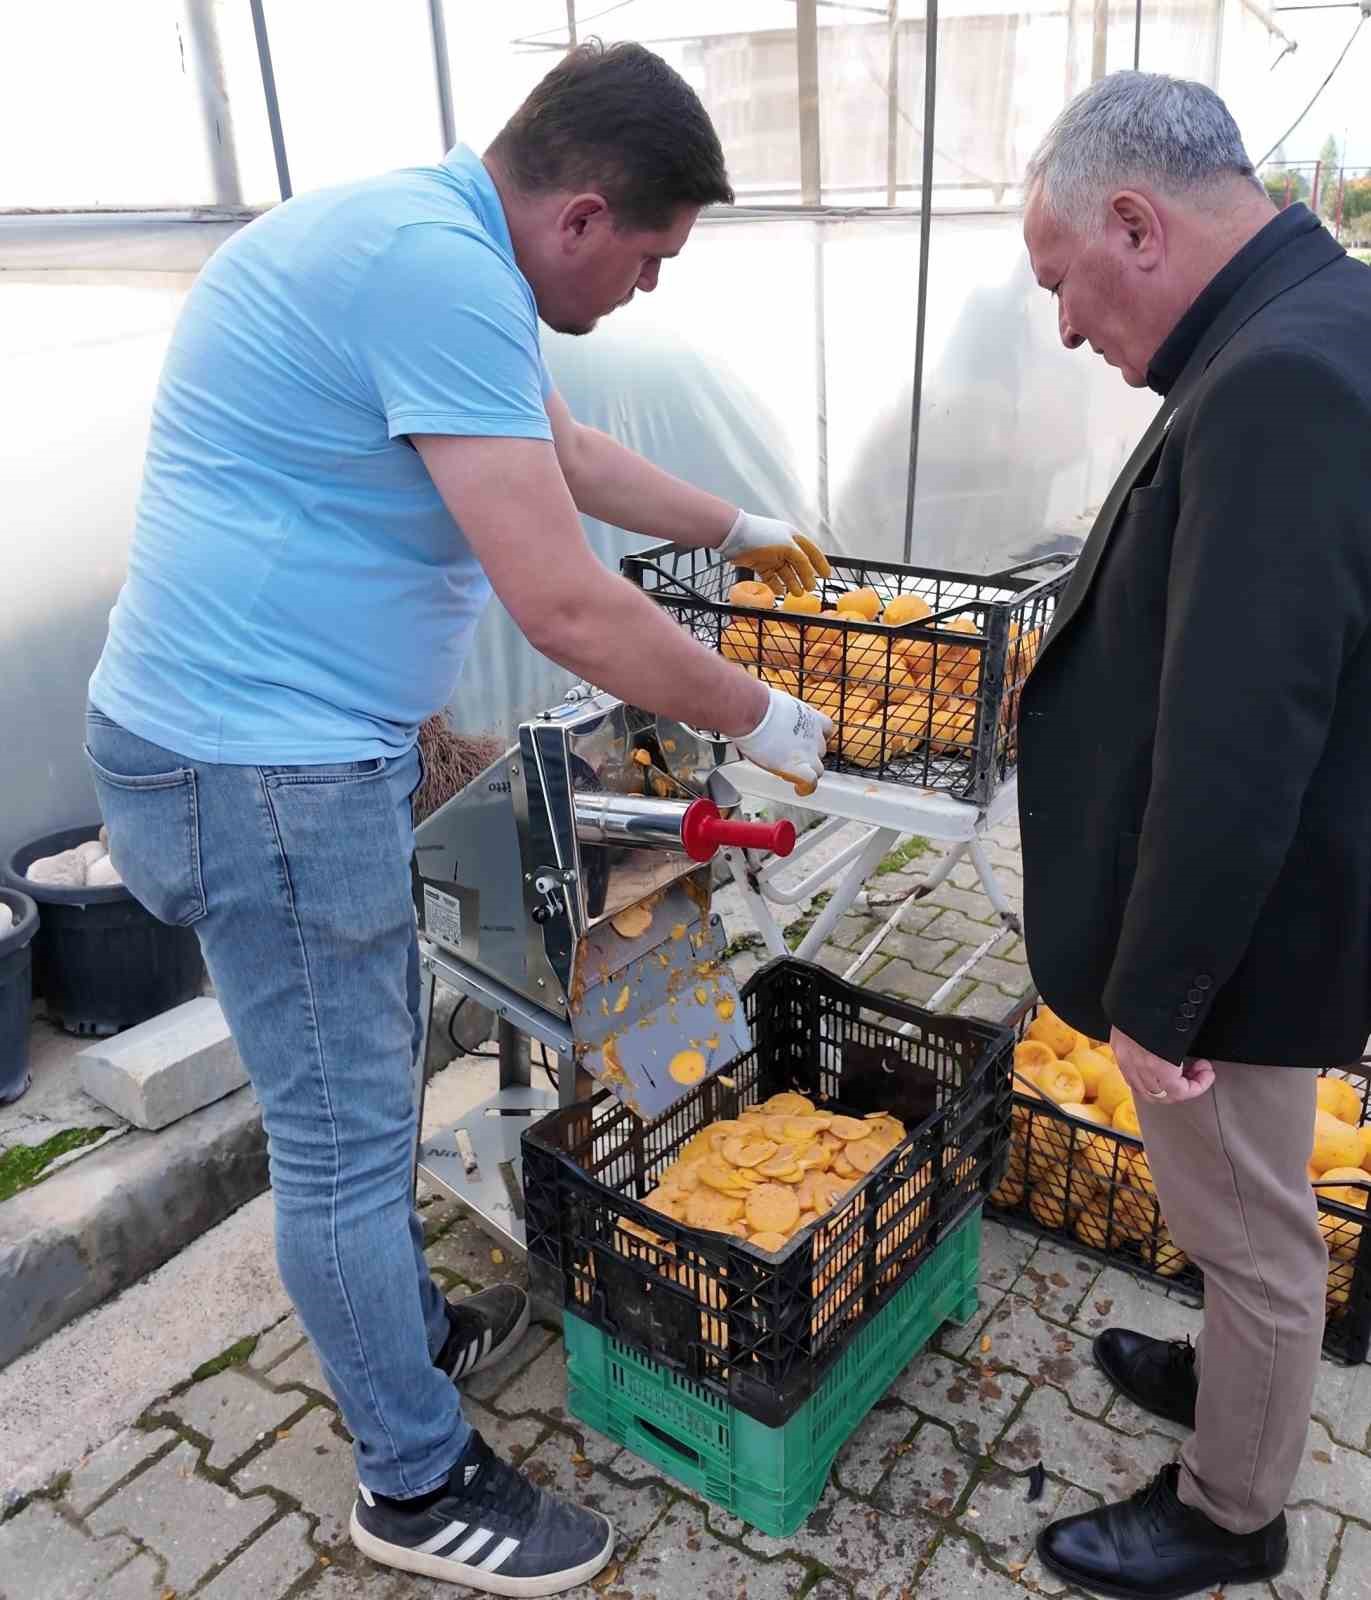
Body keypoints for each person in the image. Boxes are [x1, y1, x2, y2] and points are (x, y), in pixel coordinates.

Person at [84, 41, 831, 1596]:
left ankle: (401, 1340)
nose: (648, 289)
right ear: (578, 215)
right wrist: (759, 718)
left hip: (254, 751)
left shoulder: (427, 243)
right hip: (264, 773)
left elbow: (555, 451)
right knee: (349, 1147)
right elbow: (560, 601)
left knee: (354, 1114)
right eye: (649, 255)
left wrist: (735, 525)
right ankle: (413, 1485)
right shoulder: (436, 270)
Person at [1017, 71, 1371, 1600]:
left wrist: (1158, 995)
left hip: (1242, 924)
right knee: (1251, 1207)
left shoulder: (1280, 379)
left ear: (1137, 224)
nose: (1066, 329)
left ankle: (1232, 1512)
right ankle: (1235, 1370)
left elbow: (1244, 736)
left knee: (1253, 1219)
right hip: (1275, 898)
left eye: (1064, 284)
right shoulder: (1305, 325)